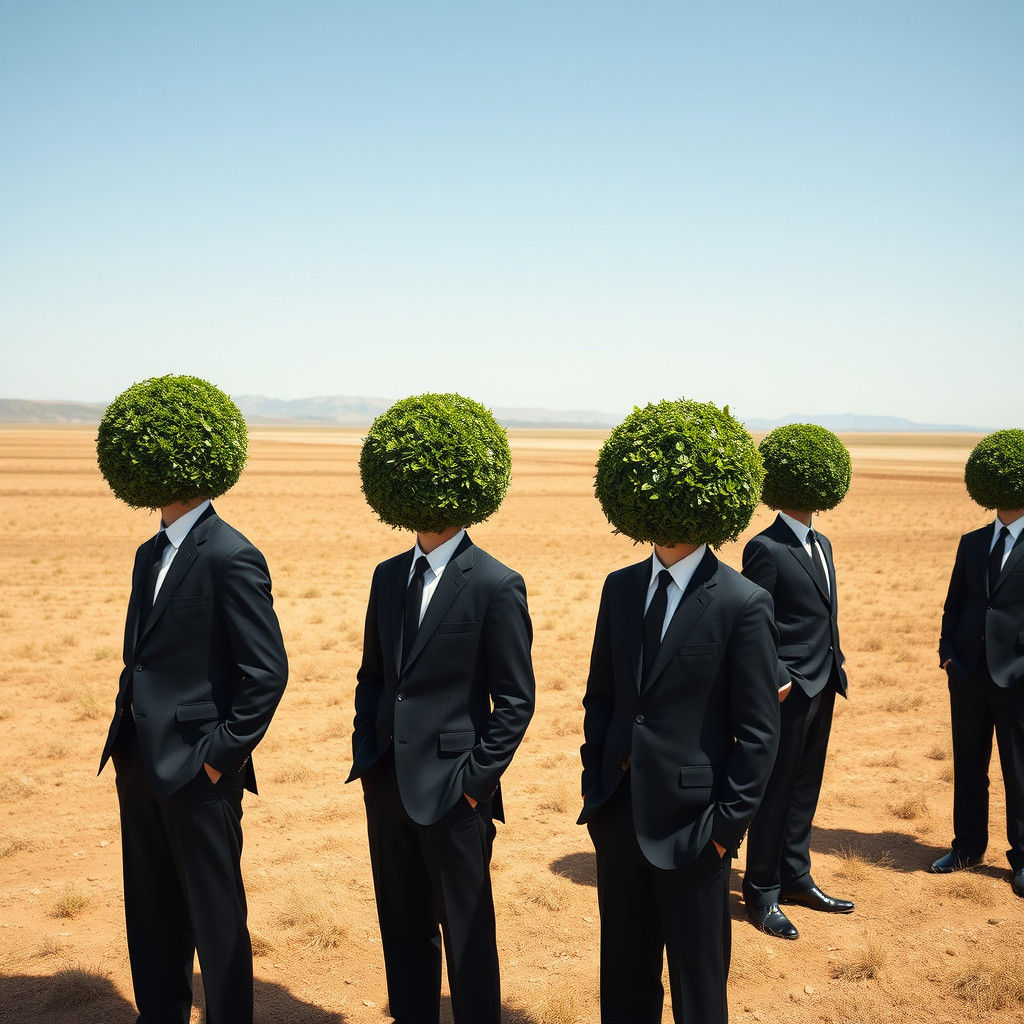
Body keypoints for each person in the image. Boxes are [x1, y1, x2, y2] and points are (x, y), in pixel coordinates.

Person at [581, 399, 780, 1024]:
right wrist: (597, 785)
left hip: (697, 832)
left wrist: (725, 831)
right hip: (619, 818)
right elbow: (602, 698)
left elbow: (758, 732)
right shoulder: (619, 588)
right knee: (624, 987)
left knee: (700, 992)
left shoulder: (743, 603)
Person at [349, 394, 535, 1024]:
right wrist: (368, 753)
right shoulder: (386, 575)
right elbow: (373, 676)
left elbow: (515, 700)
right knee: (401, 930)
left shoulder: (495, 583)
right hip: (388, 785)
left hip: (457, 793)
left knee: (467, 934)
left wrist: (476, 786)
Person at [97, 495, 288, 1024]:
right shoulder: (147, 553)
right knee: (150, 909)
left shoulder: (231, 554)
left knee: (216, 918)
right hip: (138, 761)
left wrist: (219, 757)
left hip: (200, 772)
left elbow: (267, 673)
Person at [741, 510, 854, 939]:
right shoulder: (764, 547)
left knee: (806, 786)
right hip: (789, 687)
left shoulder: (821, 542)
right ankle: (762, 889)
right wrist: (777, 675)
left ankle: (795, 876)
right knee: (776, 790)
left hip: (824, 680)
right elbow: (755, 620)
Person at [935, 504, 1024, 896]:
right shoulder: (972, 542)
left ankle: (1023, 858)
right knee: (969, 763)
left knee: (1019, 769)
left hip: (1017, 676)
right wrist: (947, 652)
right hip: (968, 672)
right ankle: (967, 848)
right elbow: (954, 603)